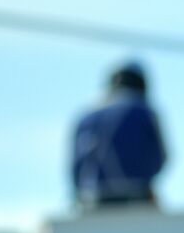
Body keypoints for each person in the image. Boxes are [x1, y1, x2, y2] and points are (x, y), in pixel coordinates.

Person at [70, 61, 168, 208]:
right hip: (136, 198)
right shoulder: (144, 111)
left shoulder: (85, 116)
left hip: (92, 200)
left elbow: (76, 169)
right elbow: (160, 159)